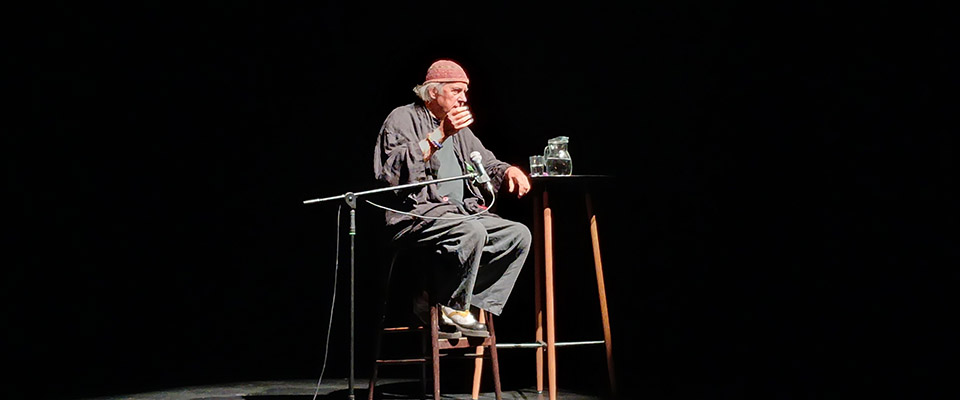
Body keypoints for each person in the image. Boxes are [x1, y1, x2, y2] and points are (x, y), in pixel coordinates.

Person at [373, 59, 532, 338]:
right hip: (417, 215)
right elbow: (393, 171)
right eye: (456, 90)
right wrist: (440, 134)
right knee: (472, 231)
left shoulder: (461, 132)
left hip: (459, 213)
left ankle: (452, 301)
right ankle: (452, 305)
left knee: (517, 235)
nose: (464, 98)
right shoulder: (402, 118)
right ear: (433, 91)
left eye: (465, 91)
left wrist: (509, 171)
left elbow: (487, 162)